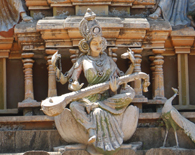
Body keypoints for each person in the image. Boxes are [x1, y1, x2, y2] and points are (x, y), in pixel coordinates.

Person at [51, 10, 139, 153]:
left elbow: (123, 79)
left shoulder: (109, 61)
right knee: (74, 106)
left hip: (107, 99)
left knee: (130, 94)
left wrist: (133, 65)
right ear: (87, 45)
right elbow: (66, 80)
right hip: (87, 99)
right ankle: (91, 130)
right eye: (94, 43)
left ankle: (98, 106)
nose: (98, 46)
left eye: (100, 43)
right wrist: (57, 69)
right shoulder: (83, 60)